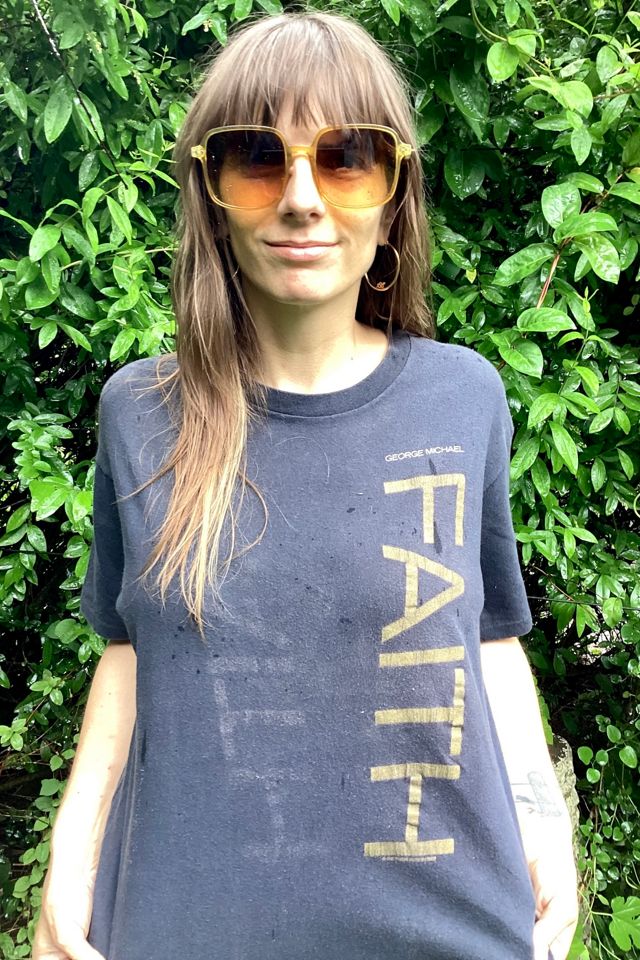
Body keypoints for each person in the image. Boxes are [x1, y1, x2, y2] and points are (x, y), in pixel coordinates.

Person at [33, 9, 579, 960]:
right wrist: (68, 864)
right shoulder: (140, 414)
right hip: (185, 930)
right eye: (256, 159)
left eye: (346, 159)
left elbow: (486, 638)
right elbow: (128, 653)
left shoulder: (463, 397)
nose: (300, 198)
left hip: (447, 930)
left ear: (393, 195)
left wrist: (544, 830)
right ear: (211, 194)